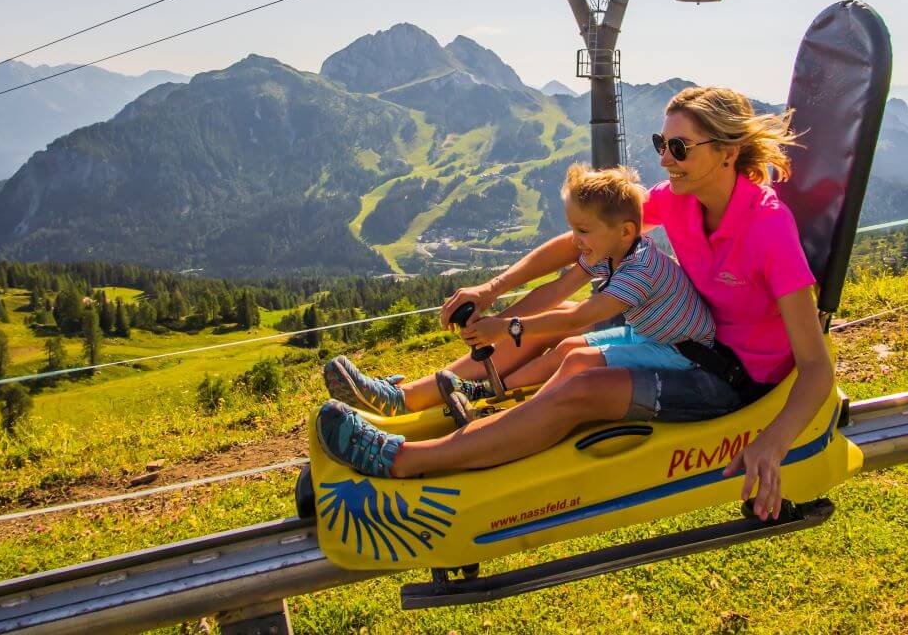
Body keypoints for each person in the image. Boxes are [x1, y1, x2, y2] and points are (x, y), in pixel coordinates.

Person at [318, 86, 834, 521]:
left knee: (582, 388)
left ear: (727, 152)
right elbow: (588, 235)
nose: (664, 159)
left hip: (730, 379)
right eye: (662, 143)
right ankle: (406, 399)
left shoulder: (768, 228)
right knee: (564, 340)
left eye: (679, 147)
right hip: (683, 342)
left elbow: (816, 367)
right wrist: (491, 291)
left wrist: (773, 441)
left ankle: (405, 460)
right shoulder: (679, 197)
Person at [326, 164, 716, 423]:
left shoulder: (640, 269)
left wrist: (507, 328)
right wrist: (496, 308)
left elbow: (578, 316)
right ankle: (485, 392)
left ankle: (511, 415)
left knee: (576, 359)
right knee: (566, 348)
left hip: (680, 352)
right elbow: (558, 289)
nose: (575, 241)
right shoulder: (611, 248)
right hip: (650, 335)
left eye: (582, 231)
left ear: (626, 231)